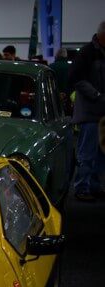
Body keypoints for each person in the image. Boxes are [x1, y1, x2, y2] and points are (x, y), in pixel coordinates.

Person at [70, 21, 105, 201]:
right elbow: (76, 78)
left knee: (100, 154)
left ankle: (94, 185)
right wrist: (97, 95)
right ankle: (82, 187)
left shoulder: (96, 53)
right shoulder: (87, 53)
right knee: (87, 153)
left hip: (101, 112)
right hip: (89, 112)